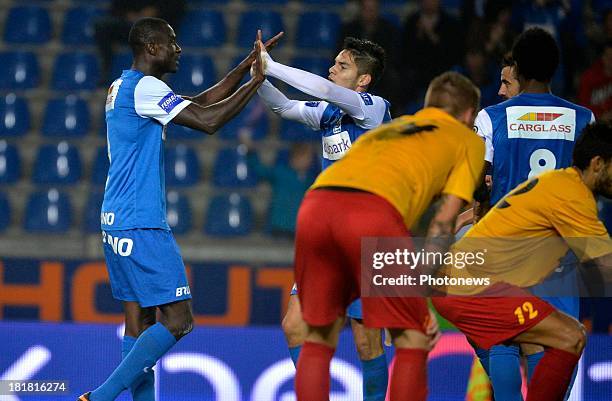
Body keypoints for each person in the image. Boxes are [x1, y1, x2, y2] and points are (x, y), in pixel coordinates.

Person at [77, 21, 281, 401]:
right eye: (172, 42)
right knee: (178, 320)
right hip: (141, 222)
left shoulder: (124, 86)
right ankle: (101, 397)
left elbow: (200, 102)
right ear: (152, 46)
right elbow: (209, 120)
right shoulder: (146, 88)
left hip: (115, 220)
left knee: (140, 325)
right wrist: (258, 82)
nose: (179, 49)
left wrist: (244, 67)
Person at [288, 71, 485, 401]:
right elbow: (442, 224)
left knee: (319, 337)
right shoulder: (468, 140)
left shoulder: (390, 129)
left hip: (315, 206)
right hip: (372, 212)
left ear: (428, 105)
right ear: (468, 115)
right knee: (414, 336)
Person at [433, 121, 612, 401]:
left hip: (461, 283)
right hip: (471, 287)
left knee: (533, 343)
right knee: (570, 336)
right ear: (599, 163)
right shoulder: (572, 195)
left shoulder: (557, 181)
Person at [256, 36, 392, 401]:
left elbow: (321, 87)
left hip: (370, 239)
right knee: (294, 325)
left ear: (363, 79)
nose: (332, 69)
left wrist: (272, 66)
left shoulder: (374, 109)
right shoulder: (329, 115)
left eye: (342, 66)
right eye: (334, 64)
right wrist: (258, 79)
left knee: (367, 343)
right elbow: (284, 108)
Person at [471, 28, 595, 401]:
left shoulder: (492, 117)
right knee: (556, 341)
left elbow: (477, 183)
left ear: (518, 69)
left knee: (504, 337)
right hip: (560, 250)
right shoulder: (583, 119)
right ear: (555, 68)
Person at [578, 40, 612, 121]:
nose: (611, 61)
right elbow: (583, 105)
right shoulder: (589, 77)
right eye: (608, 57)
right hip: (594, 123)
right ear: (602, 57)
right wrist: (599, 115)